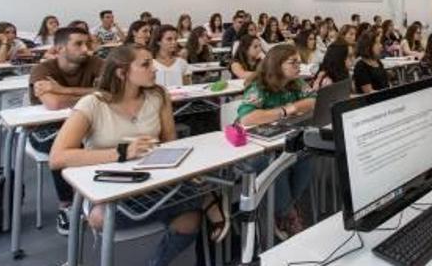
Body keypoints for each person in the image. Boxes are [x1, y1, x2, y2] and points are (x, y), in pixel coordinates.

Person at [49, 45, 220, 264]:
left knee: (191, 219)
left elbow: (170, 143)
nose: (154, 69)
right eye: (145, 64)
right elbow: (57, 158)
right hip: (109, 188)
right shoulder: (93, 104)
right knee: (203, 196)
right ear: (122, 72)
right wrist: (122, 152)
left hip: (154, 183)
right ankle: (208, 200)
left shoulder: (158, 95)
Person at [28, 26, 104, 234]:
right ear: (60, 48)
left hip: (85, 125)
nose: (86, 49)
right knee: (62, 146)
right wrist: (92, 94)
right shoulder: (43, 70)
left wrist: (65, 91)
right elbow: (53, 103)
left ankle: (101, 195)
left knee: (107, 137)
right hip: (45, 130)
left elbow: (112, 90)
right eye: (78, 44)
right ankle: (67, 205)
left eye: (87, 43)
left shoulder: (95, 63)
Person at [237, 45, 315, 238]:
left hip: (282, 139)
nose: (299, 66)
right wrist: (284, 111)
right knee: (276, 164)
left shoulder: (296, 83)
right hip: (256, 149)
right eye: (293, 62)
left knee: (307, 154)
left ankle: (284, 209)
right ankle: (287, 214)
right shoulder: (259, 85)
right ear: (277, 65)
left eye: (299, 61)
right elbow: (247, 117)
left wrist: (290, 107)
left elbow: (313, 100)